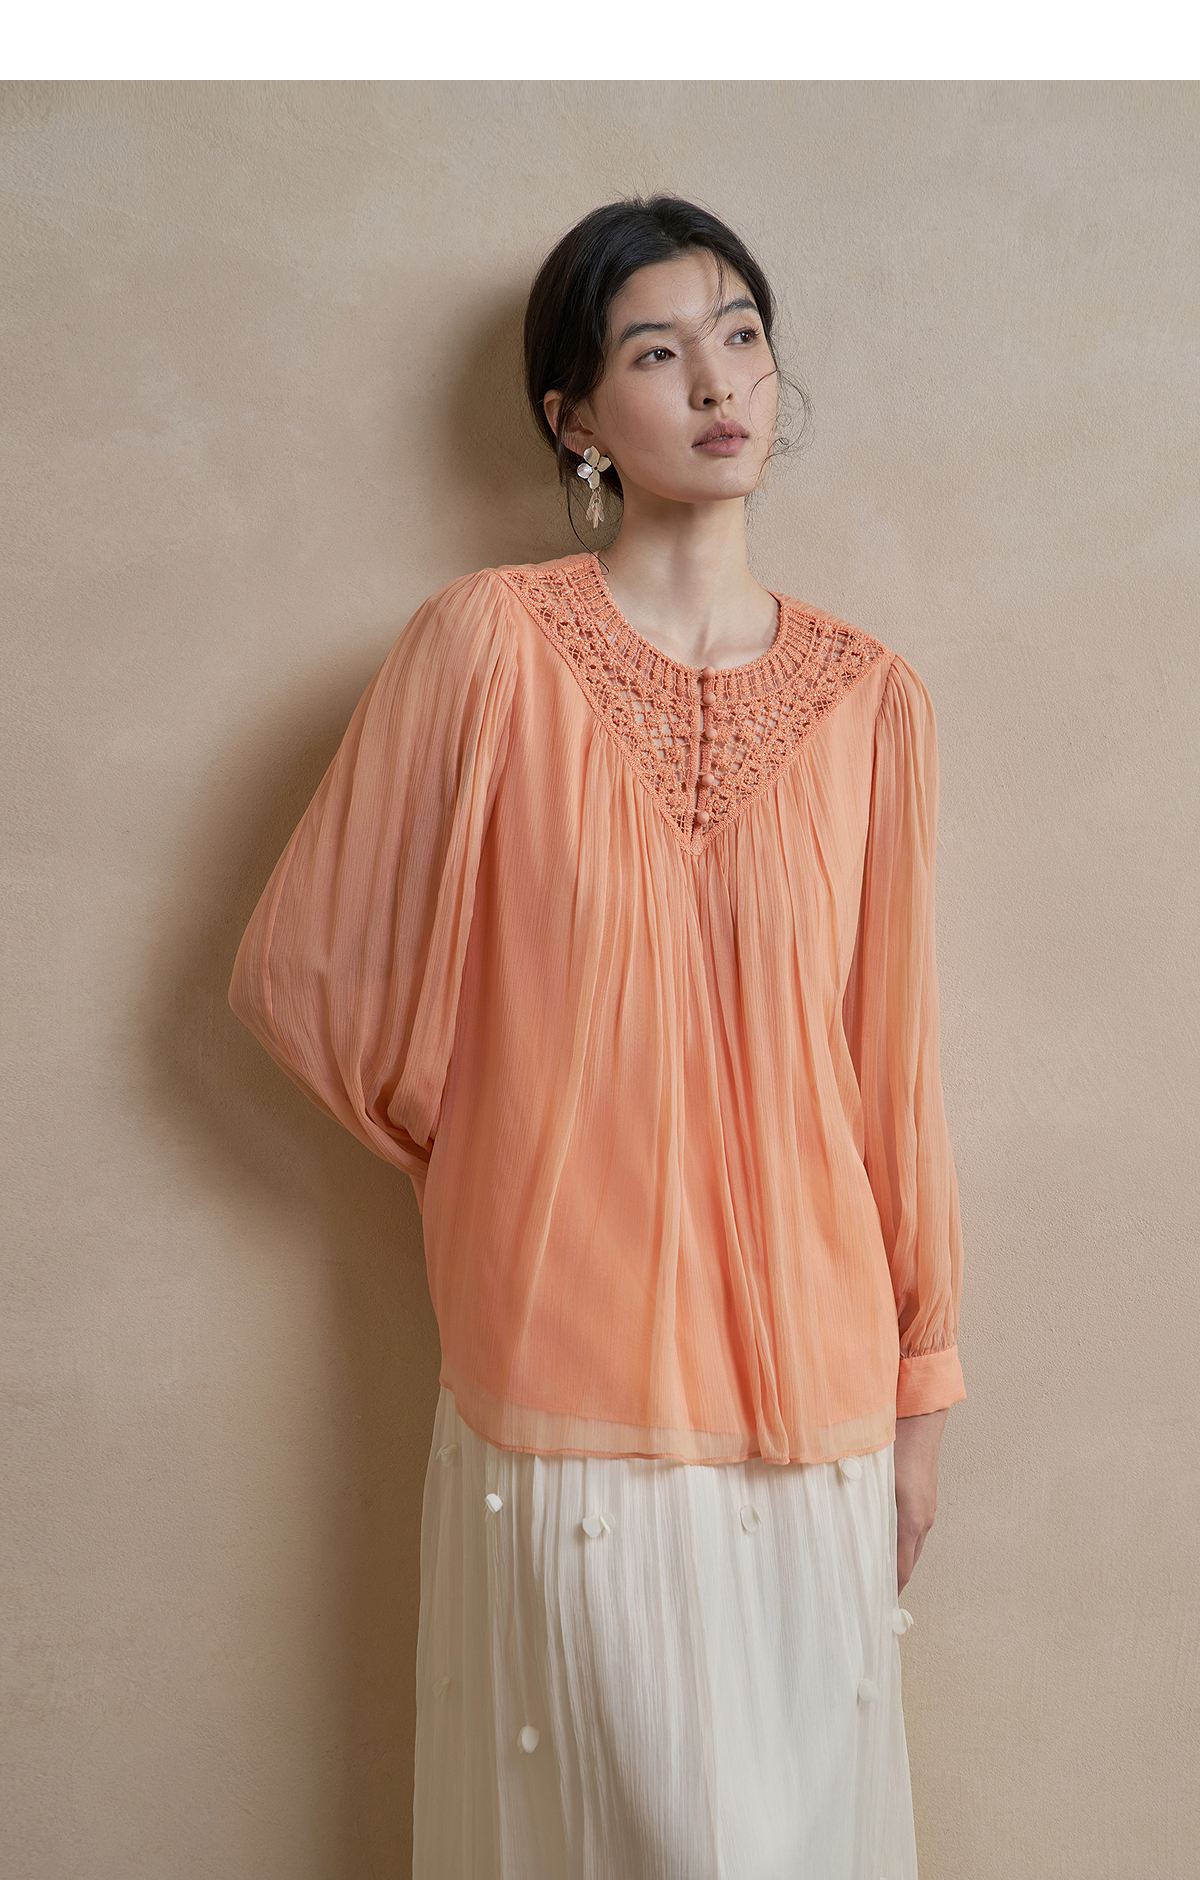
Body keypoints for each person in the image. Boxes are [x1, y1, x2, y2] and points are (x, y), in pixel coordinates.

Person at [229, 194, 966, 1880]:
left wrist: (920, 1397)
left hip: (821, 1400)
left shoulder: (874, 703)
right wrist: (515, 1160)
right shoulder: (486, 647)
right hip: (562, 1382)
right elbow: (307, 978)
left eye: (741, 335)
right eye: (656, 352)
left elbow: (892, 1076)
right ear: (575, 418)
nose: (717, 382)